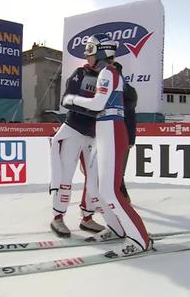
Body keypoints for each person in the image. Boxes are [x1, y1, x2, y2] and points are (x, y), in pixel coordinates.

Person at [63, 34, 151, 257]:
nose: (86, 54)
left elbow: (98, 103)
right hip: (103, 132)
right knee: (95, 189)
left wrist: (72, 99)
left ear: (101, 51)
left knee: (110, 192)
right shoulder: (107, 72)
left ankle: (140, 239)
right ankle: (116, 228)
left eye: (90, 50)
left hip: (111, 131)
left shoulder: (108, 72)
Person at [49, 57, 106, 238]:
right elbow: (67, 99)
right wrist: (92, 109)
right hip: (73, 129)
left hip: (93, 134)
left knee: (94, 177)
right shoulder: (80, 73)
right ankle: (58, 217)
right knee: (66, 174)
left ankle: (87, 218)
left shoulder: (108, 77)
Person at [113, 62, 137, 204]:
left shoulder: (127, 90)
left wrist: (130, 139)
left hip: (122, 135)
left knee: (118, 171)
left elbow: (131, 116)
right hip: (110, 134)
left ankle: (123, 200)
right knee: (115, 171)